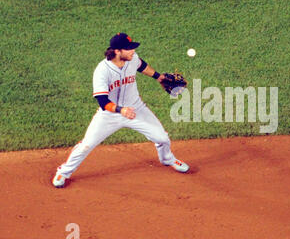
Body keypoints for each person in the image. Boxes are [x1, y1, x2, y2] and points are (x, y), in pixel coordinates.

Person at [52, 33, 189, 188]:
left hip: (136, 108)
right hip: (109, 114)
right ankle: (64, 171)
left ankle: (167, 159)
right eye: (129, 49)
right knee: (87, 144)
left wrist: (158, 77)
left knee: (162, 138)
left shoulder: (131, 58)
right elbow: (103, 101)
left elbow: (141, 65)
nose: (133, 51)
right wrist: (121, 110)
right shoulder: (102, 71)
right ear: (117, 51)